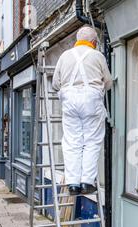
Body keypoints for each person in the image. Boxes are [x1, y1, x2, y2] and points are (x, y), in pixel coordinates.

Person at [52, 25, 113, 196]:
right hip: (91, 100)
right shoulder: (97, 55)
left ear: (77, 40)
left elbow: (56, 83)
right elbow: (107, 82)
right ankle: (86, 182)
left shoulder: (64, 56)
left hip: (69, 100)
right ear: (94, 42)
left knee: (72, 142)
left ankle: (72, 183)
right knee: (92, 141)